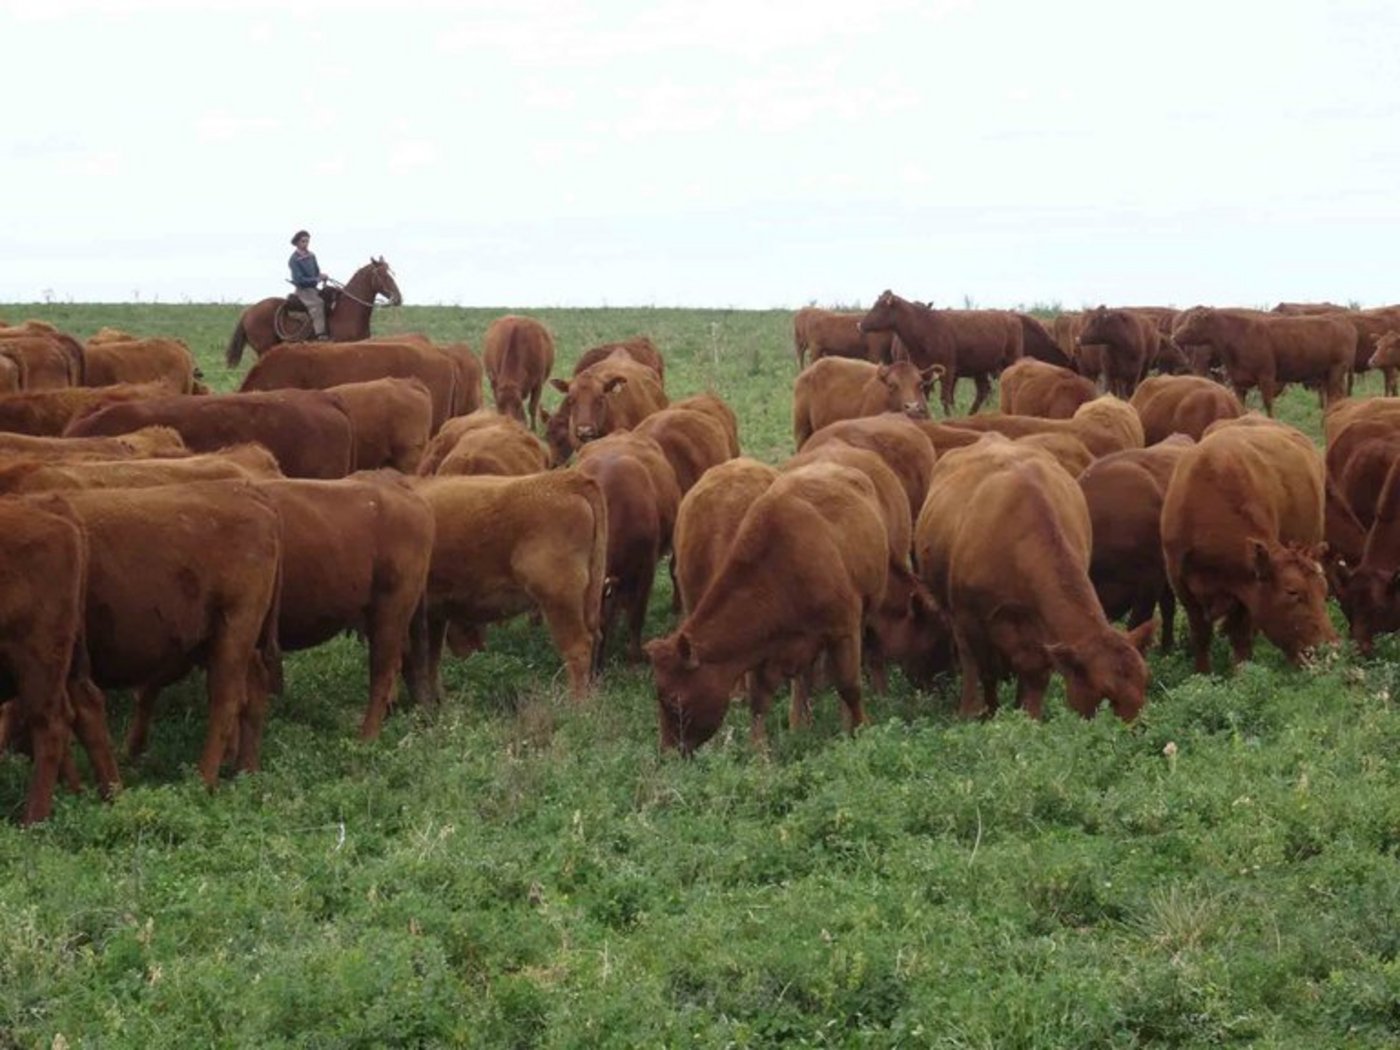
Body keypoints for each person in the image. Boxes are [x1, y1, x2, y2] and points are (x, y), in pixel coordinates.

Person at [288, 229, 330, 340]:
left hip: (313, 289)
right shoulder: (294, 260)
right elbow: (299, 280)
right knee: (318, 304)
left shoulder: (312, 255)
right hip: (303, 291)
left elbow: (316, 272)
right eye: (303, 241)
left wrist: (322, 276)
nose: (306, 244)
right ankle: (320, 334)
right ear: (297, 243)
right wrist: (316, 279)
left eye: (307, 241)